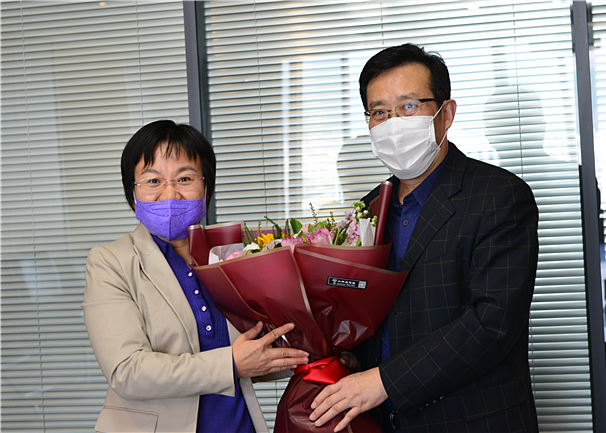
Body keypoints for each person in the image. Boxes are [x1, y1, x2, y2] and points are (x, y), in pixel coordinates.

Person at [310, 44, 540, 432]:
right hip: (384, 422)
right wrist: (351, 356)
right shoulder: (368, 209)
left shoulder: (498, 195)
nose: (393, 123)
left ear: (445, 114)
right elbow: (370, 311)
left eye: (409, 106)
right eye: (379, 112)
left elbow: (492, 322)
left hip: (473, 420)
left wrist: (382, 382)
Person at [82, 120, 309, 433]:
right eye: (153, 180)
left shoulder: (235, 255)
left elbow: (256, 353)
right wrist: (231, 363)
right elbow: (128, 371)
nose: (170, 193)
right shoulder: (111, 262)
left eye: (185, 178)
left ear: (207, 187)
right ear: (132, 192)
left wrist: (322, 352)